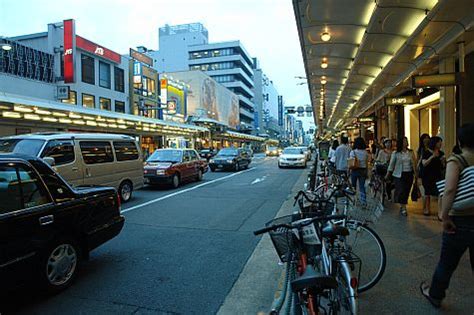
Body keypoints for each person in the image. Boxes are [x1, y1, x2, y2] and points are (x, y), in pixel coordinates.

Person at [420, 123, 474, 308]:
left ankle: (435, 294)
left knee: (447, 263)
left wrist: (444, 216)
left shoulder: (457, 160)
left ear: (460, 140)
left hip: (459, 220)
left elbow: (450, 189)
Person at [387, 137, 417, 216]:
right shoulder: (396, 153)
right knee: (401, 190)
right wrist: (388, 174)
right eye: (404, 141)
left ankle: (402, 204)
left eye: (406, 141)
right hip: (399, 174)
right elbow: (391, 164)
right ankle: (403, 207)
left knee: (407, 191)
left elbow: (414, 163)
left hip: (409, 173)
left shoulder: (410, 152)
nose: (406, 142)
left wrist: (416, 174)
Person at [421, 136, 446, 216]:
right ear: (435, 143)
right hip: (427, 176)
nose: (440, 144)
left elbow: (443, 167)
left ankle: (440, 212)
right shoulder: (426, 153)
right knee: (427, 193)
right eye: (439, 142)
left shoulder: (441, 153)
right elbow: (424, 163)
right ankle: (427, 209)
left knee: (440, 193)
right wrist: (432, 157)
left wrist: (443, 162)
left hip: (438, 176)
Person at [350, 137, 369, 203]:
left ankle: (354, 200)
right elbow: (366, 163)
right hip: (363, 170)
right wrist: (367, 172)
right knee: (362, 187)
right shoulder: (366, 152)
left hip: (355, 170)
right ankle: (363, 201)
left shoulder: (353, 152)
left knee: (353, 186)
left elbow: (351, 163)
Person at [418, 133, 431, 213]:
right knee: (424, 192)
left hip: (429, 171)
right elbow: (418, 161)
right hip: (422, 171)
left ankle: (428, 208)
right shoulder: (420, 150)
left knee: (428, 192)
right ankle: (425, 208)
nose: (426, 139)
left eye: (428, 137)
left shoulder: (431, 149)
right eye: (425, 138)